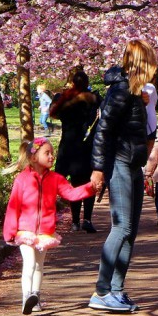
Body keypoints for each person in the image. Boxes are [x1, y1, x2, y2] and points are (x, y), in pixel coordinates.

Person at [88, 39, 158, 313]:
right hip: (119, 163)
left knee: (131, 231)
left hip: (133, 163)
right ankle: (102, 290)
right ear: (143, 64)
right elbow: (102, 131)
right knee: (122, 227)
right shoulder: (120, 92)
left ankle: (117, 289)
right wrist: (97, 169)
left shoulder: (137, 93)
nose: (155, 69)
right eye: (152, 63)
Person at [3, 137, 96, 314]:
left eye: (53, 153)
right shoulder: (22, 179)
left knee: (39, 265)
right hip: (25, 231)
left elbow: (71, 193)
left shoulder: (56, 179)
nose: (52, 156)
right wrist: (10, 231)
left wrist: (90, 188)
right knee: (29, 264)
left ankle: (35, 298)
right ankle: (26, 298)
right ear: (34, 157)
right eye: (47, 153)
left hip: (45, 232)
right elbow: (13, 206)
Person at [50, 69, 100, 233]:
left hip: (68, 145)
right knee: (86, 183)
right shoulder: (94, 98)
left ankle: (75, 221)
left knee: (71, 183)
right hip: (87, 145)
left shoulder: (65, 98)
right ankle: (87, 219)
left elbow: (53, 113)